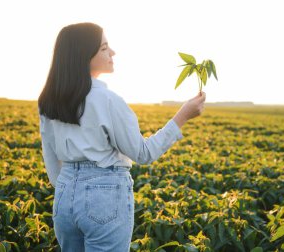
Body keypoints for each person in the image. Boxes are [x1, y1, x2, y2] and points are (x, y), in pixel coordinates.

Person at [38, 22, 206, 252]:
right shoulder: (107, 100)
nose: (112, 53)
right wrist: (182, 117)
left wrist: (68, 187)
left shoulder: (48, 100)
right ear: (83, 55)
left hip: (64, 195)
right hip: (103, 195)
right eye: (104, 48)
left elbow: (50, 158)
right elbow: (143, 153)